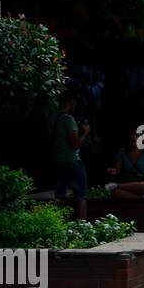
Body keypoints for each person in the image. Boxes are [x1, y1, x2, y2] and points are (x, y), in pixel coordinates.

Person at [50, 91, 90, 221]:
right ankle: (83, 226)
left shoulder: (52, 118)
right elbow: (76, 144)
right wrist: (85, 132)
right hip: (72, 161)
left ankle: (57, 223)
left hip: (57, 160)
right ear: (71, 102)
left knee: (60, 194)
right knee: (81, 195)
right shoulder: (68, 119)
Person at [105, 125, 144, 199]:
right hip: (127, 182)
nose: (134, 138)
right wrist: (113, 171)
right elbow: (117, 170)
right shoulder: (122, 152)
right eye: (132, 136)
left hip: (143, 182)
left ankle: (116, 185)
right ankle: (141, 198)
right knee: (114, 192)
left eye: (137, 135)